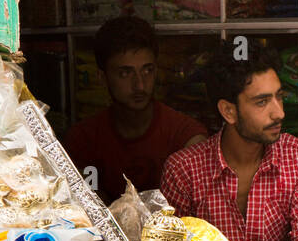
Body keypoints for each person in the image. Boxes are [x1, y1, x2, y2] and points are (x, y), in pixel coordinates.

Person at [160, 43, 298, 241]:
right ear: (228, 111)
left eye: (279, 96)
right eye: (262, 102)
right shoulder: (184, 170)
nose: (279, 112)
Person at [65, 16, 207, 204]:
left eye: (147, 70)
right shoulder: (82, 140)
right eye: (125, 73)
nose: (139, 84)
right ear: (102, 77)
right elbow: (86, 211)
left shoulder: (185, 136)